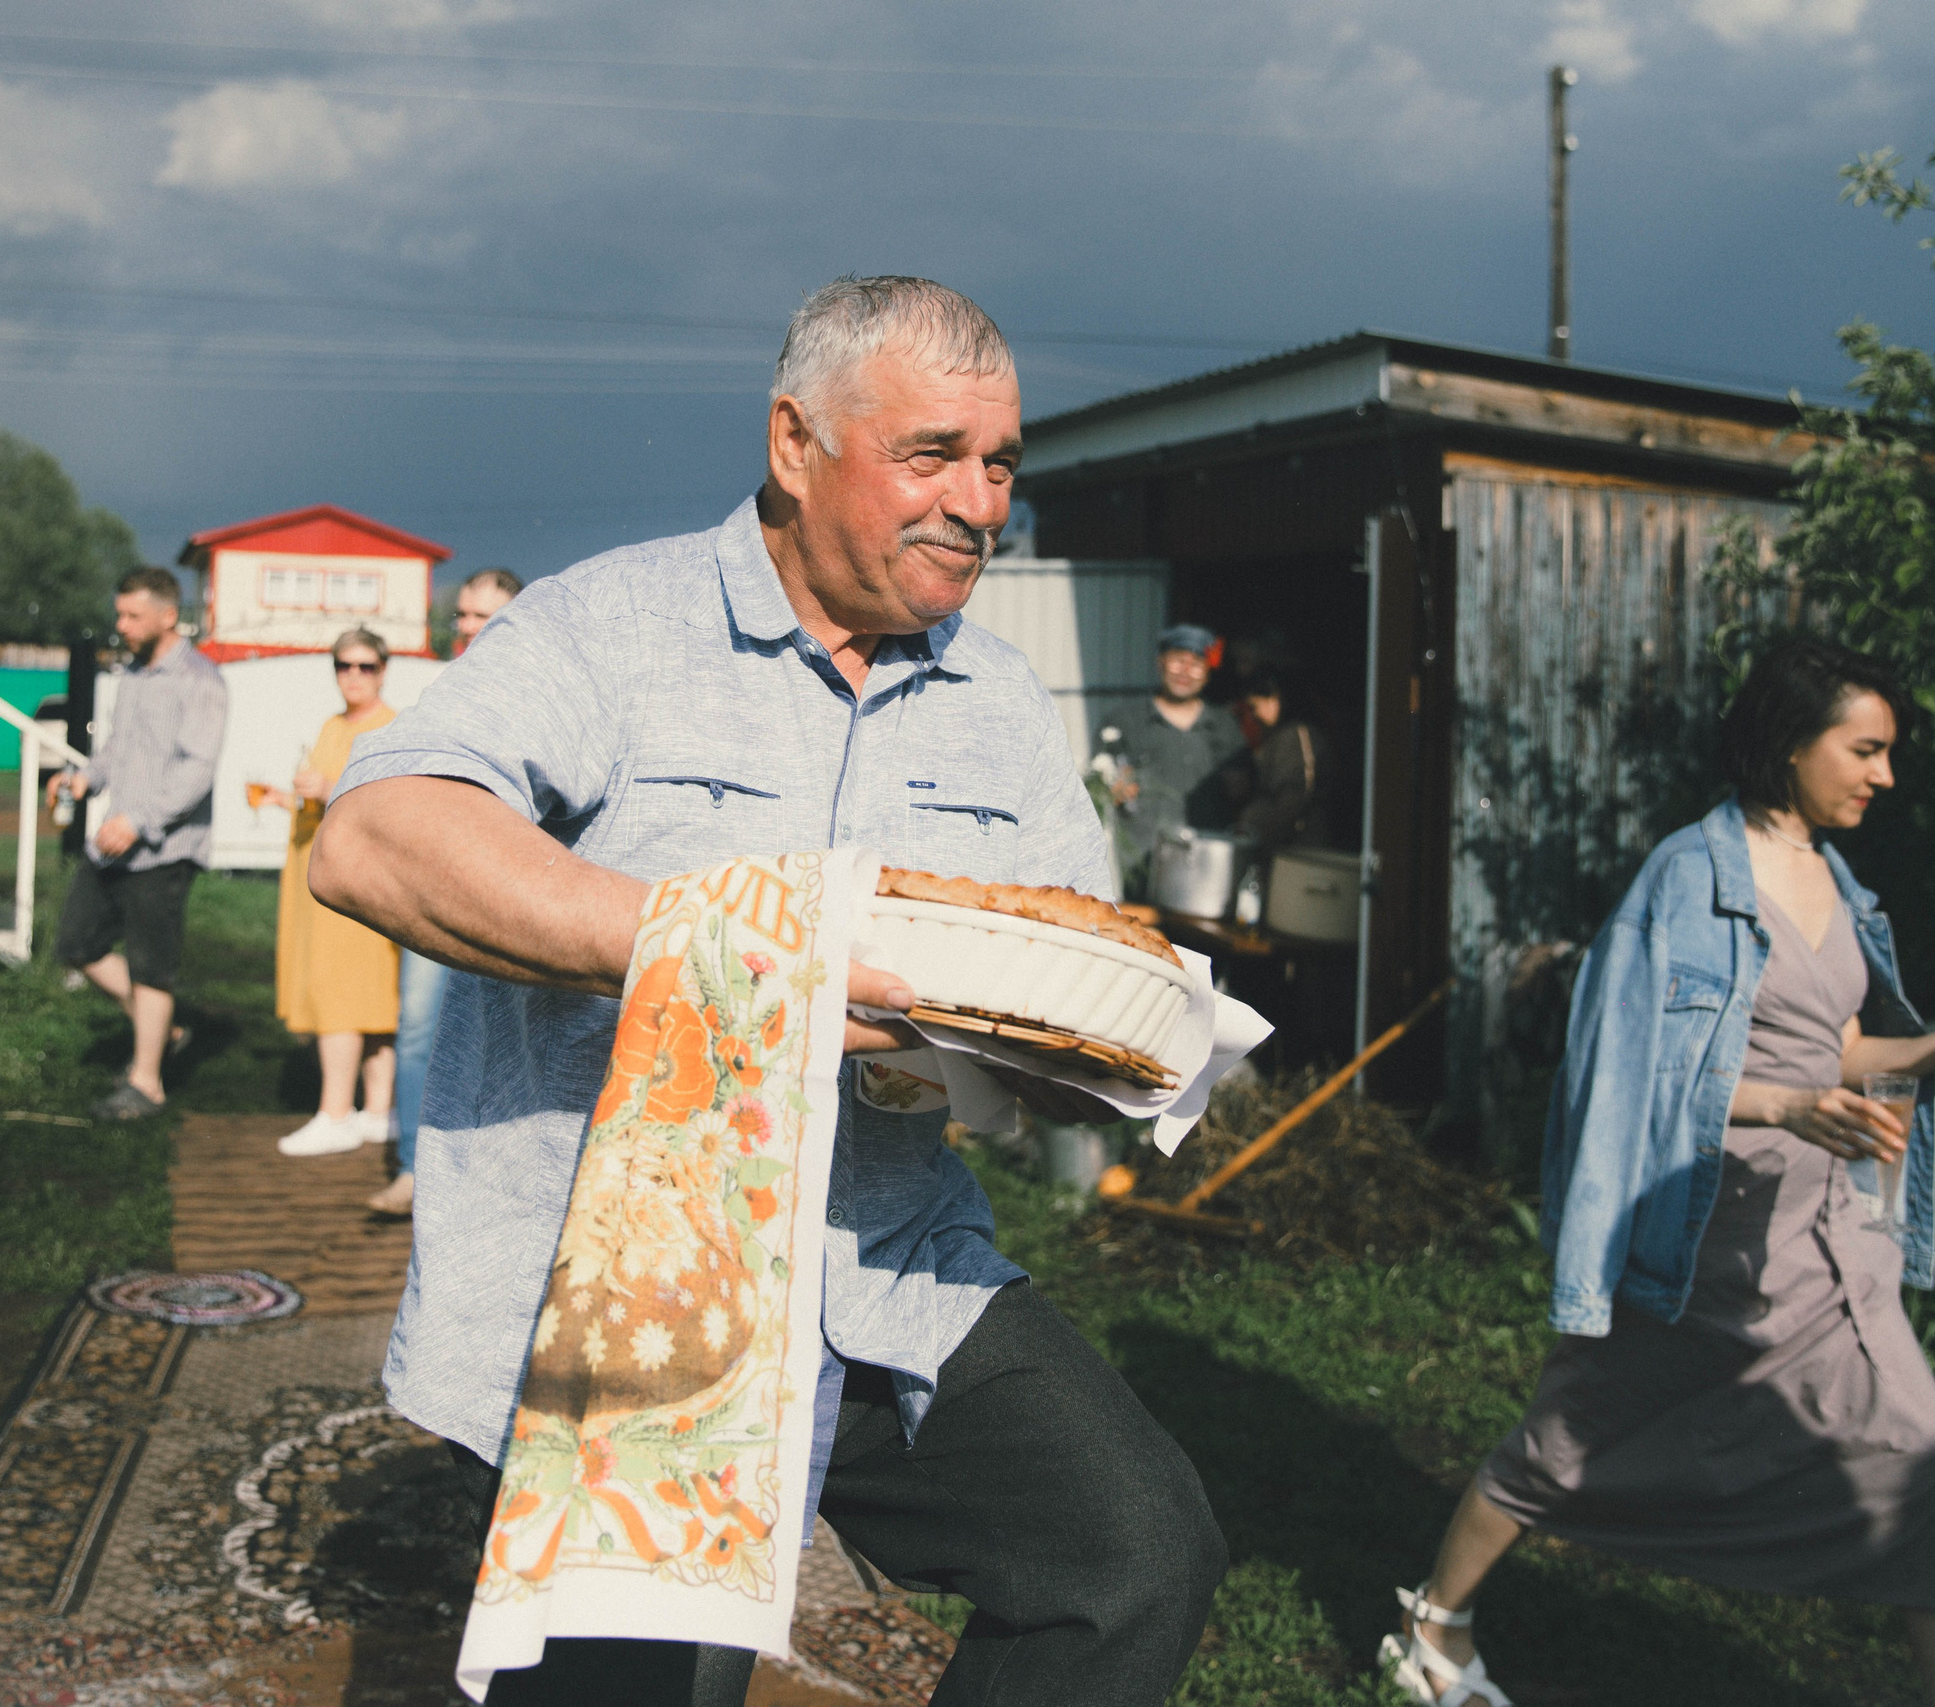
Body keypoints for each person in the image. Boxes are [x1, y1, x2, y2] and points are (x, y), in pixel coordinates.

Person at [310, 275, 1226, 1706]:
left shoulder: (998, 705)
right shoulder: (613, 626)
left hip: (883, 1264)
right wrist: (732, 947)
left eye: (1001, 466)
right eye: (934, 455)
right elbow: (376, 839)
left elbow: (1059, 963)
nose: (980, 504)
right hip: (626, 1293)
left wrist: (1081, 1058)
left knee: (1134, 1553)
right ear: (796, 443)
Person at [1379, 636, 1935, 1707]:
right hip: (1696, 1237)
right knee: (1568, 1441)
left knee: (1926, 1469)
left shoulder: (1839, 881)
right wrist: (1786, 1107)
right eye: (1866, 750)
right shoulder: (1686, 879)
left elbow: (1837, 1054)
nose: (1887, 775)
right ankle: (1436, 1623)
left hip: (1830, 1247)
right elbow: (1618, 1069)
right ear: (1793, 746)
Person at [48, 567, 227, 1122]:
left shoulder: (200, 680)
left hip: (163, 846)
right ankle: (165, 1029)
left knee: (153, 968)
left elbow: (198, 769)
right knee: (78, 945)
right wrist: (84, 777)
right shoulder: (133, 674)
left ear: (167, 616)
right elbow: (120, 749)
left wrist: (139, 820)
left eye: (132, 616)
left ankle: (146, 1083)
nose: (121, 625)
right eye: (119, 614)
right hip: (115, 842)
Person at [372, 566, 523, 1215]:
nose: (465, 627)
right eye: (461, 614)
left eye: (480, 616)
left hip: (511, 891)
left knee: (509, 1034)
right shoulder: (440, 689)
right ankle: (411, 1166)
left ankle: (490, 1180)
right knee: (417, 1025)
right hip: (441, 886)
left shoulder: (536, 693)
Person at [264, 629, 403, 1158]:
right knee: (362, 993)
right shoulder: (331, 724)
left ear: (383, 670)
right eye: (344, 665)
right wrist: (291, 797)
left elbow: (388, 799)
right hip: (318, 870)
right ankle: (376, 1109)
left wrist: (329, 788)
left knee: (344, 992)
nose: (353, 675)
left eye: (366, 666)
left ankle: (336, 1113)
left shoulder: (391, 727)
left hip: (357, 879)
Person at [1105, 623, 1250, 889]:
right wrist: (1115, 787)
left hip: (1205, 863)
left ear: (1208, 672)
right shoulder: (1125, 720)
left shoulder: (1225, 725)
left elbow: (1244, 791)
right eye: (1178, 660)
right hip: (1143, 861)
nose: (1186, 671)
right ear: (1160, 662)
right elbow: (1102, 782)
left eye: (1197, 663)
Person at [1235, 669, 1332, 852]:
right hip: (1284, 846)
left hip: (1299, 848)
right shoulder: (1277, 737)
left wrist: (1260, 829)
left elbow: (1297, 795)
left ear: (1276, 699)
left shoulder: (1297, 736)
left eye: (1255, 707)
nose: (1254, 715)